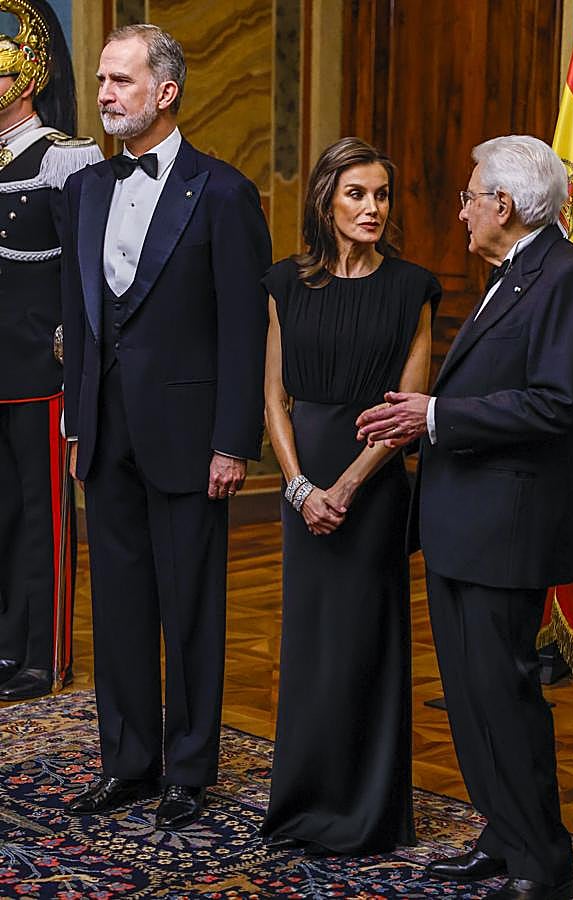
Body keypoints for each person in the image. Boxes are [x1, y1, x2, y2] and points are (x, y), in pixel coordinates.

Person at [357, 135, 573, 899]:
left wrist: (435, 415)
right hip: (468, 525)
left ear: (503, 204)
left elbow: (555, 403)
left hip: (509, 529)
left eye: (469, 196)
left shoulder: (566, 275)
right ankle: (503, 834)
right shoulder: (510, 274)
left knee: (506, 700)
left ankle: (542, 864)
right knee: (469, 699)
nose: (461, 209)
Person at [60, 24, 271, 830]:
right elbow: (81, 322)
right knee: (116, 610)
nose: (106, 94)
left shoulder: (223, 193)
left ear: (166, 91)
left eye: (120, 80)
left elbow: (244, 328)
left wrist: (231, 442)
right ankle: (127, 761)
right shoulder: (82, 191)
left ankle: (188, 769)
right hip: (104, 437)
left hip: (189, 439)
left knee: (188, 609)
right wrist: (80, 420)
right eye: (104, 80)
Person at [261, 136, 441, 855]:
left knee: (368, 646)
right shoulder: (282, 283)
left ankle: (369, 814)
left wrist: (343, 486)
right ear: (325, 202)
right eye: (357, 194)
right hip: (304, 482)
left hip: (372, 488)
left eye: (382, 195)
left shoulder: (413, 287)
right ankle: (302, 804)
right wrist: (300, 486)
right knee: (308, 648)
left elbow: (406, 409)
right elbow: (274, 397)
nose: (373, 208)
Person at [0, 0, 102, 702]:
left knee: (43, 519)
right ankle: (5, 644)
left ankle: (43, 655)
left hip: (41, 371)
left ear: (25, 79)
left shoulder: (66, 157)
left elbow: (82, 272)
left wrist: (74, 358)